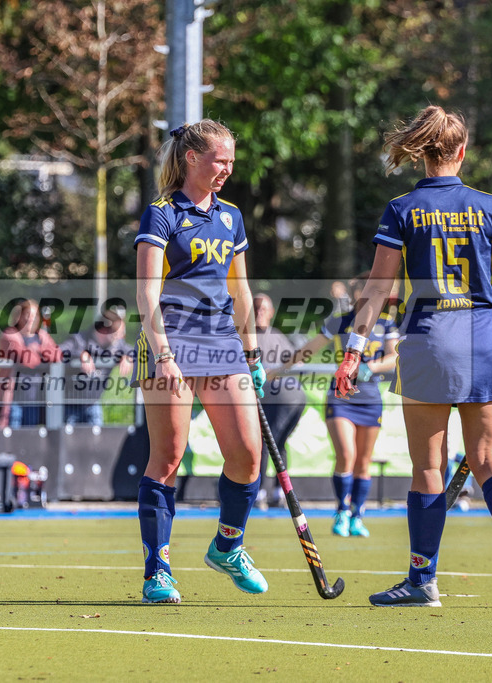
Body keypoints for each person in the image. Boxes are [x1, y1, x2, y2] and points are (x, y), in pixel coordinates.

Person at [334, 105, 492, 607]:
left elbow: (379, 288)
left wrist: (354, 350)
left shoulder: (401, 208)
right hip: (486, 336)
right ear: (462, 151)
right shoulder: (490, 206)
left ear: (422, 152)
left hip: (428, 338)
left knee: (429, 467)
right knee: (489, 457)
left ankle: (422, 580)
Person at [131, 119, 268, 604]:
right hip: (169, 342)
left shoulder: (231, 216)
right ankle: (158, 571)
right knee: (167, 459)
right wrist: (163, 352)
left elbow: (241, 289)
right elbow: (147, 291)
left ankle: (228, 546)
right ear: (192, 158)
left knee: (248, 457)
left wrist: (251, 352)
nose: (228, 169)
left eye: (231, 161)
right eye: (220, 160)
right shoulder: (162, 214)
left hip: (222, 343)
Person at [289, 274, 399, 537]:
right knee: (346, 456)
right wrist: (281, 367)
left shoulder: (386, 323)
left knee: (363, 462)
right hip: (341, 397)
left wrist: (369, 367)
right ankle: (341, 510)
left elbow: (394, 357)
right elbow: (310, 348)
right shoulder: (340, 321)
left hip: (370, 397)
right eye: (363, 291)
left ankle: (358, 515)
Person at [252, 293, 307, 509]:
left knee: (270, 442)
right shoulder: (246, 336)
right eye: (256, 308)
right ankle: (275, 492)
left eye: (263, 309)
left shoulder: (277, 336)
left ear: (272, 312)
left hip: (283, 398)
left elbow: (298, 362)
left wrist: (277, 371)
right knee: (274, 443)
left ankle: (263, 493)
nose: (259, 313)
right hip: (261, 398)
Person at [0, 299, 62, 428]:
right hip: (13, 400)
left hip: (35, 398)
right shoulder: (9, 335)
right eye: (27, 315)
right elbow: (25, 360)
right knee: (11, 437)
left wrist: (37, 349)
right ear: (18, 316)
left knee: (30, 438)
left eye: (34, 316)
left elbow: (57, 355)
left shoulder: (42, 336)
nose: (31, 319)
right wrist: (43, 355)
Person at [58, 305, 134, 426]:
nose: (120, 338)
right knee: (68, 442)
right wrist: (81, 355)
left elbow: (130, 350)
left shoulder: (116, 344)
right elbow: (59, 351)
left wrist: (128, 357)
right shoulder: (79, 340)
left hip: (93, 404)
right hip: (69, 405)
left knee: (97, 440)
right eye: (116, 334)